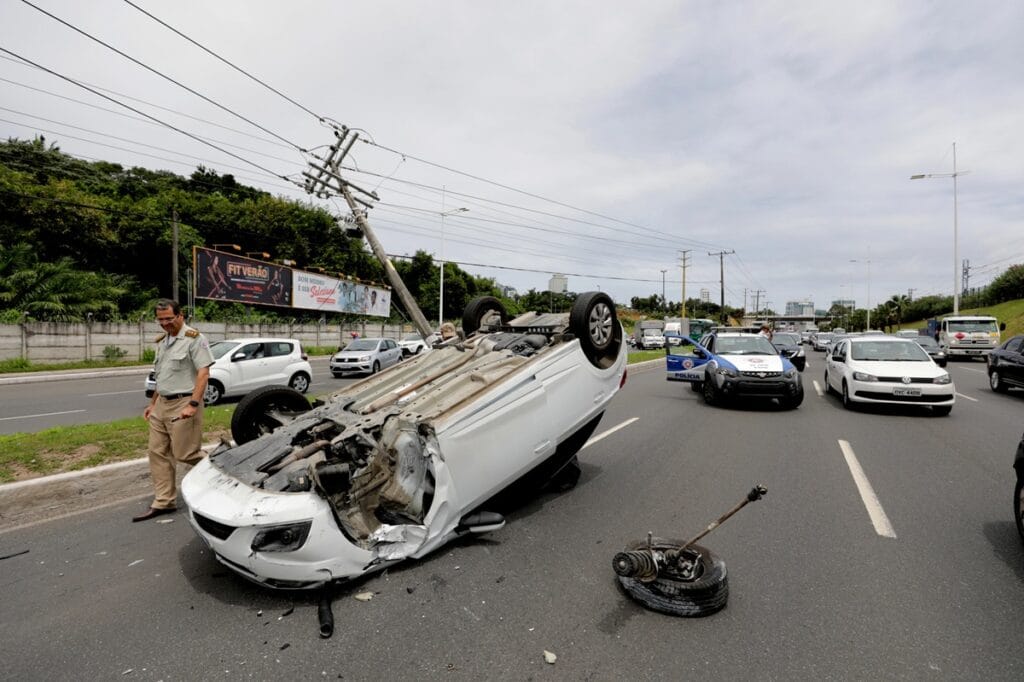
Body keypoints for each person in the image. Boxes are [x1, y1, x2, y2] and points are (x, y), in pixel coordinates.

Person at [133, 299, 214, 522]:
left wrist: (193, 404)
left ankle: (219, 470)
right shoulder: (162, 341)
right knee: (157, 453)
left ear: (180, 316)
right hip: (162, 405)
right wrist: (152, 404)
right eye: (160, 320)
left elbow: (203, 374)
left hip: (184, 402)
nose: (165, 323)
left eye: (169, 318)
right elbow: (162, 375)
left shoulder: (194, 339)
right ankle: (164, 501)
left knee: (185, 453)